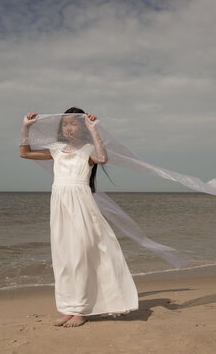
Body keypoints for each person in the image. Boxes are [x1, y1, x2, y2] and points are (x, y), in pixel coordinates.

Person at [19, 107, 139, 328]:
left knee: (80, 256)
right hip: (60, 207)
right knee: (64, 258)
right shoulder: (56, 149)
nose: (68, 127)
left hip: (82, 206)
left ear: (82, 127)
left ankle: (81, 311)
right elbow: (24, 153)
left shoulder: (88, 150)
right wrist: (26, 127)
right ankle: (69, 308)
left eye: (73, 123)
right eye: (65, 124)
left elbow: (102, 158)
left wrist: (94, 130)